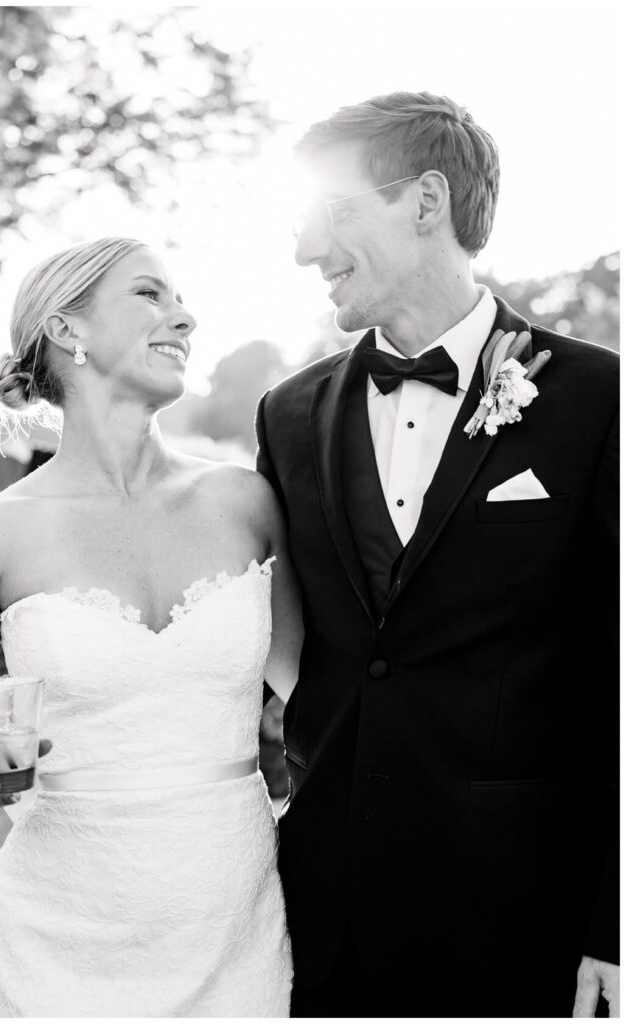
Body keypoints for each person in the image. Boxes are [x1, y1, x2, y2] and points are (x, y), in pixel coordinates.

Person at [257, 90, 619, 1017]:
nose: (304, 252)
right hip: (323, 919)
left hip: (523, 922)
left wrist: (611, 927)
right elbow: (263, 644)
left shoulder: (597, 401)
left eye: (331, 216)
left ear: (425, 202)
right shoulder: (286, 416)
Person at [0, 237, 302, 1016]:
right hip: (56, 933)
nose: (184, 316)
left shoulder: (245, 504)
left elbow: (326, 701)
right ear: (68, 330)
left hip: (231, 921)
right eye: (150, 294)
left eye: (178, 299)